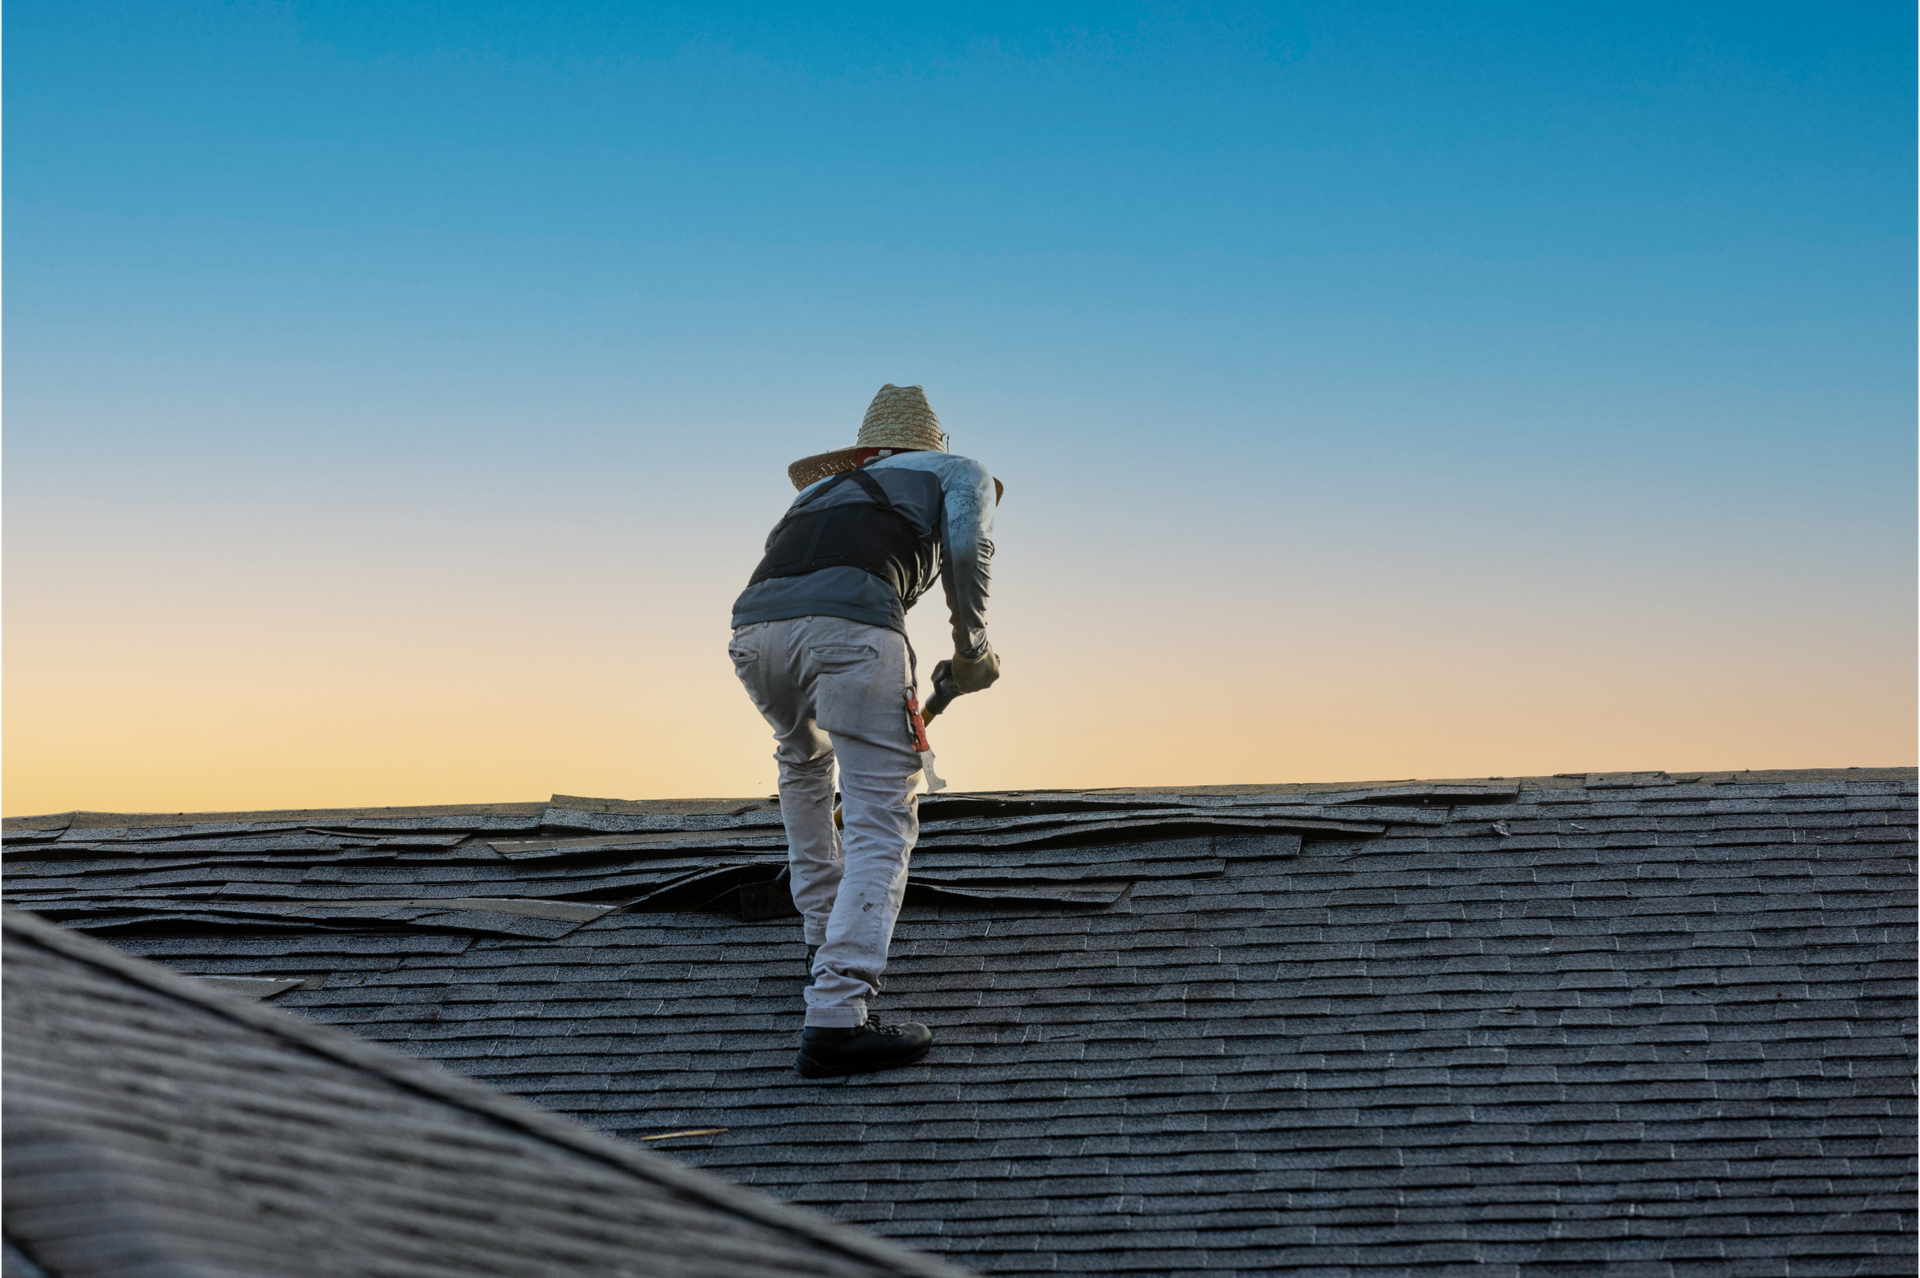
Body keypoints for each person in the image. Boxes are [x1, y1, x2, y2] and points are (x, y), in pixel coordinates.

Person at [729, 384, 1001, 1079]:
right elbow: (969, 549)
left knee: (803, 767)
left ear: (866, 449)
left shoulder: (815, 497)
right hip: (852, 633)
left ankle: (823, 943)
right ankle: (837, 1015)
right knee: (883, 816)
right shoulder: (958, 472)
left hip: (754, 632)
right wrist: (972, 651)